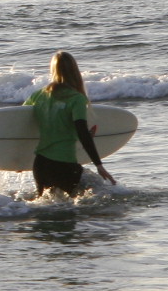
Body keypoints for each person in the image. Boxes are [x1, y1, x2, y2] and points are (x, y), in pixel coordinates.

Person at [25, 50, 110, 201]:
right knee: (72, 208)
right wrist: (99, 165)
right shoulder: (76, 99)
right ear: (75, 70)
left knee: (44, 208)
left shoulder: (38, 95)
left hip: (40, 164)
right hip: (64, 165)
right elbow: (81, 131)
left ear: (53, 70)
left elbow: (21, 125)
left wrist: (18, 161)